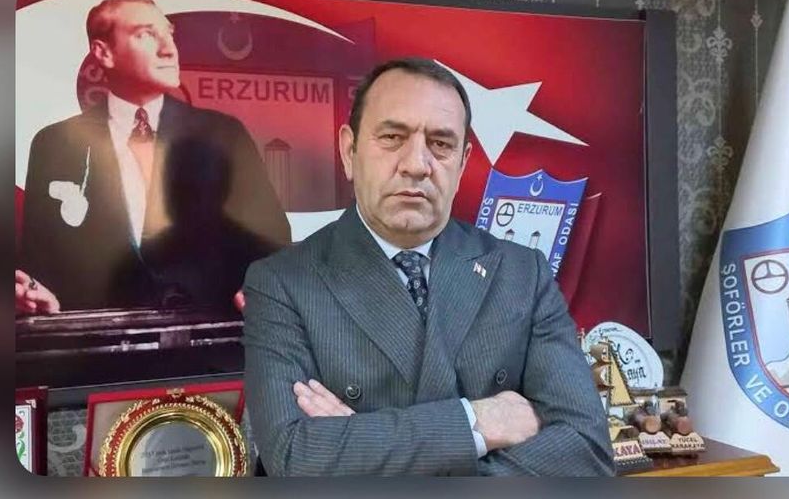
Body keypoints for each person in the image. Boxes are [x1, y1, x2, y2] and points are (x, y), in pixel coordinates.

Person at [242, 58, 614, 476]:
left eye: (440, 143)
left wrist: (364, 450)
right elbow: (294, 456)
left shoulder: (523, 274)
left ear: (463, 162)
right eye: (392, 137)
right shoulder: (282, 283)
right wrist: (478, 422)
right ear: (349, 150)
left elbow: (586, 449)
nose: (417, 164)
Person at [16, 0, 290, 313]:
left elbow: (273, 241)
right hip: (97, 339)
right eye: (146, 34)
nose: (169, 49)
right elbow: (39, 260)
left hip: (212, 337)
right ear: (103, 53)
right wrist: (38, 295)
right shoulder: (54, 143)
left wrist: (261, 283)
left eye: (168, 33)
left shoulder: (225, 135)